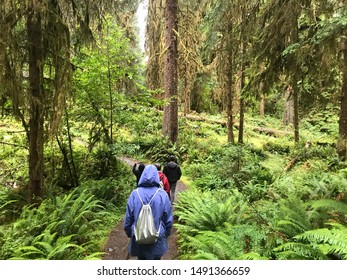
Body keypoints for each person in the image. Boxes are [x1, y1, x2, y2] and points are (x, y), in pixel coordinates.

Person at [124, 164, 173, 260]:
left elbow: (128, 217)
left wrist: (130, 232)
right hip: (158, 237)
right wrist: (165, 234)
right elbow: (168, 219)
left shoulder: (135, 193)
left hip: (138, 236)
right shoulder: (162, 195)